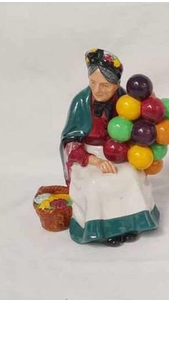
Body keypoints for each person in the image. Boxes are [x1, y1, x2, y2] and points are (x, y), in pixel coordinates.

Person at [60, 48, 159, 247]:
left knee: (132, 175)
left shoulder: (125, 100)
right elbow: (70, 141)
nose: (97, 90)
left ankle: (130, 226)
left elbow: (138, 127)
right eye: (93, 83)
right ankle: (103, 231)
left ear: (116, 85)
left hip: (118, 153)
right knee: (95, 185)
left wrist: (149, 106)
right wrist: (94, 160)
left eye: (104, 85)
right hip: (87, 156)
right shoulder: (80, 102)